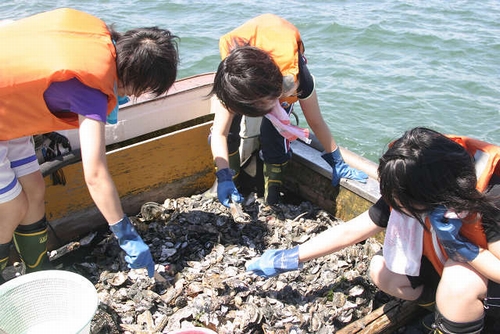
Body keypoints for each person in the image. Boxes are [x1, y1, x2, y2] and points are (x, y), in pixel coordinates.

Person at [246, 127, 500, 334]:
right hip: (451, 270)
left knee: (458, 281)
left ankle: (462, 318)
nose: (397, 208)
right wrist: (292, 256)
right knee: (383, 271)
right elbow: (353, 230)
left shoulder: (492, 198)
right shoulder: (410, 183)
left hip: (486, 284)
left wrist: (463, 249)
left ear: (437, 195)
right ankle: (447, 312)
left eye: (405, 205)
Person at [0, 8, 179, 281]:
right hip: (6, 105)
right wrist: (124, 232)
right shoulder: (91, 90)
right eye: (143, 89)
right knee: (11, 206)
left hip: (10, 106)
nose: (136, 95)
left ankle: (36, 271)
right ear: (139, 80)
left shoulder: (98, 33)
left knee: (34, 189)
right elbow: (94, 174)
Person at [209, 14, 368, 207]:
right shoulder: (233, 82)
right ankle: (232, 180)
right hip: (248, 63)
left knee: (275, 134)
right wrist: (223, 175)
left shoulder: (296, 80)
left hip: (275, 58)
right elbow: (219, 132)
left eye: (263, 108)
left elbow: (316, 121)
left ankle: (272, 196)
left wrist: (337, 160)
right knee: (230, 129)